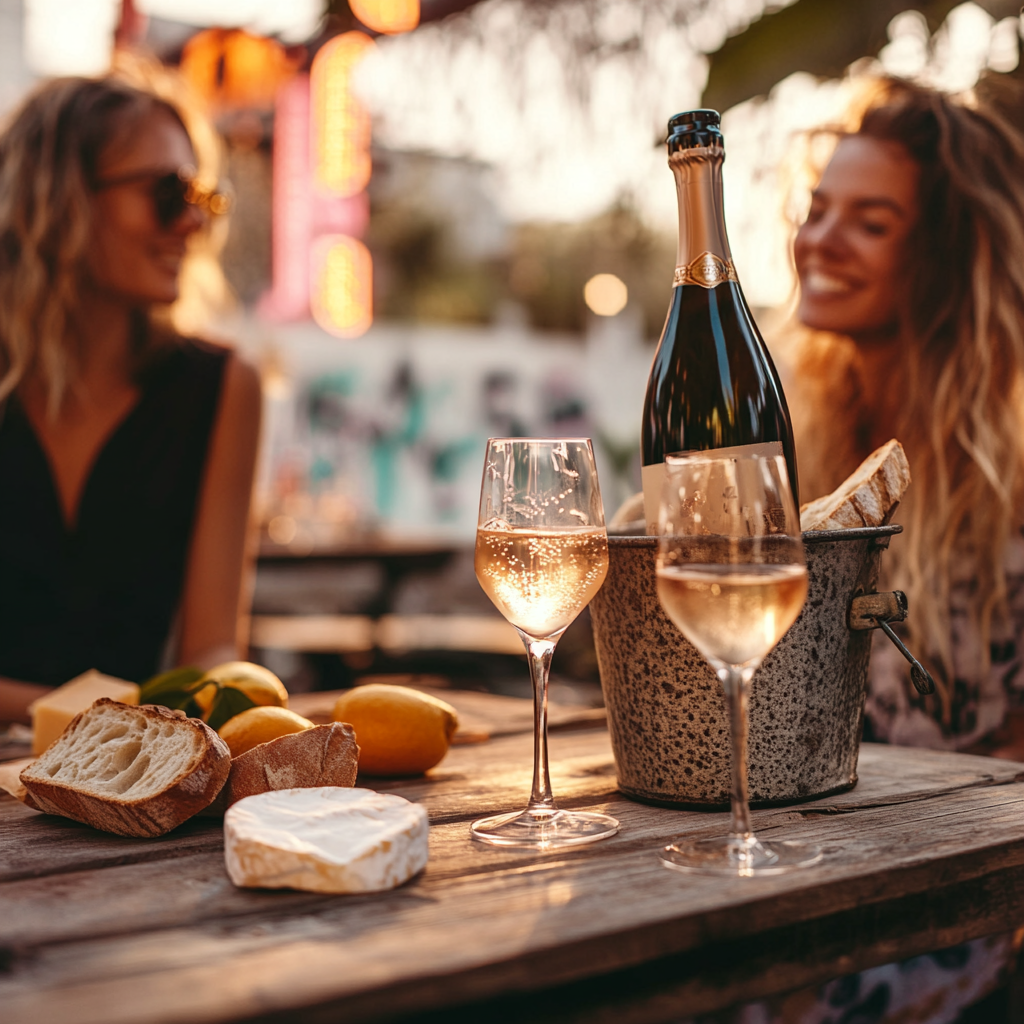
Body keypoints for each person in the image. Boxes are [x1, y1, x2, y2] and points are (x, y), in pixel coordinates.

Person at [0, 73, 262, 722]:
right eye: (169, 192)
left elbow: (211, 654)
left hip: (127, 781)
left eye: (202, 196)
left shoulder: (223, 387)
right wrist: (113, 715)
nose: (194, 223)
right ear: (58, 198)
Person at [785, 74, 1024, 757]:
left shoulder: (1009, 485)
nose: (820, 242)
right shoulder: (794, 442)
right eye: (818, 209)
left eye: (870, 223)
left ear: (942, 258)